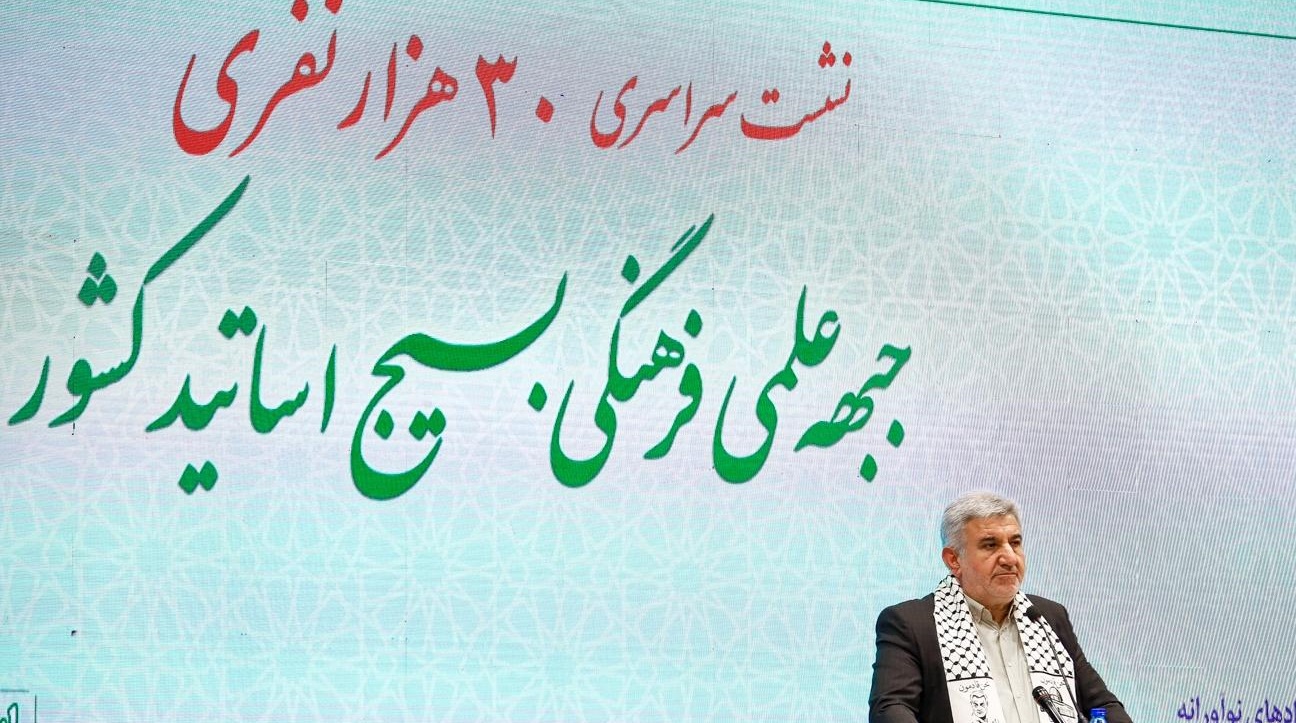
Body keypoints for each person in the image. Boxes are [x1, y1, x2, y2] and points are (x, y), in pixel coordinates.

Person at [868, 492, 1131, 723]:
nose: (1009, 558)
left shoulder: (1046, 617)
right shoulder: (912, 624)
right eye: (990, 545)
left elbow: (1103, 705)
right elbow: (890, 709)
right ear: (953, 559)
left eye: (1015, 543)